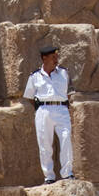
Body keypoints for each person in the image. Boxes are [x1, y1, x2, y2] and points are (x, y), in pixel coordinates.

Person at [23, 43, 74, 184]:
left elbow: (70, 93)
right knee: (44, 144)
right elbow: (29, 97)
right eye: (53, 56)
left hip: (62, 109)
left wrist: (61, 105)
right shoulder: (34, 76)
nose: (56, 59)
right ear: (44, 58)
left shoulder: (64, 73)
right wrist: (42, 109)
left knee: (66, 139)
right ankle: (49, 176)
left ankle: (67, 173)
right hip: (44, 110)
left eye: (57, 56)